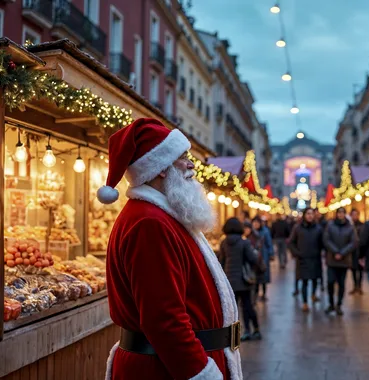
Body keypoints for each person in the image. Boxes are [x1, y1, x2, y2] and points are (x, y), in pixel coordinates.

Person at [101, 118, 241, 380]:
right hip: (165, 370)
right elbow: (165, 321)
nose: (191, 165)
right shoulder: (149, 223)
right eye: (183, 158)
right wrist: (201, 372)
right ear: (161, 167)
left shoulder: (162, 217)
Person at [219, 217, 262, 342]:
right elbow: (253, 259)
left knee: (233, 309)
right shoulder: (244, 243)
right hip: (244, 281)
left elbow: (221, 262)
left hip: (229, 281)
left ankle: (235, 335)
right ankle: (253, 329)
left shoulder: (223, 243)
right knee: (247, 306)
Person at [323, 207, 357, 316]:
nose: (340, 215)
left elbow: (353, 242)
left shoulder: (350, 227)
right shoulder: (330, 225)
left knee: (341, 283)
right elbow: (326, 239)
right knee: (330, 282)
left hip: (344, 260)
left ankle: (339, 305)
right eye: (339, 213)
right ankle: (331, 303)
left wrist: (342, 253)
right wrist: (335, 251)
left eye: (342, 213)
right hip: (332, 260)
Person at [289, 208, 324, 312]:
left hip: (315, 259)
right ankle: (305, 302)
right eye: (308, 214)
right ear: (304, 215)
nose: (310, 216)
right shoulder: (298, 228)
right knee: (304, 281)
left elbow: (323, 242)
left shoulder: (318, 228)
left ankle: (313, 294)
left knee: (314, 280)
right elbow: (291, 242)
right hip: (302, 259)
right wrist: (297, 253)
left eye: (312, 214)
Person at [252, 217, 272, 301]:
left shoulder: (265, 231)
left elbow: (269, 243)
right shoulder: (251, 232)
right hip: (254, 257)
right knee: (255, 277)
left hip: (264, 256)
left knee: (264, 276)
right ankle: (255, 295)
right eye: (254, 223)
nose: (255, 224)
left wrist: (270, 254)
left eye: (257, 223)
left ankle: (264, 294)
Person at [349, 209, 365, 295]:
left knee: (361, 271)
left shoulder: (362, 225)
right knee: (353, 270)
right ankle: (355, 286)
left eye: (356, 214)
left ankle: (360, 287)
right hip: (352, 252)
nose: (355, 216)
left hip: (360, 251)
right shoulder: (349, 226)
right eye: (353, 215)